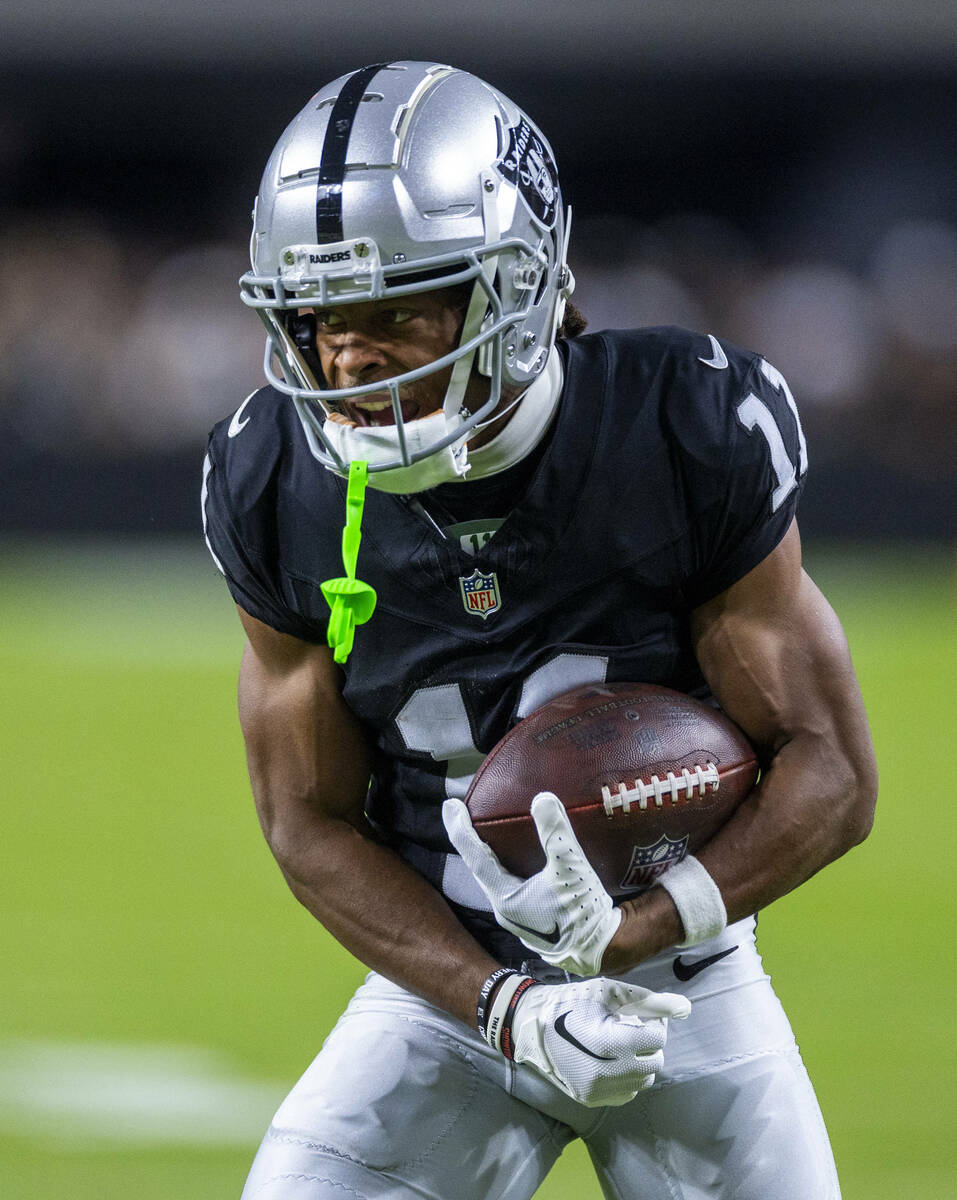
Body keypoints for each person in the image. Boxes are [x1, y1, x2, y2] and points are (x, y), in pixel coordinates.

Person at [202, 60, 877, 1199]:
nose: (351, 360)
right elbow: (303, 822)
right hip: (449, 994)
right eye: (321, 317)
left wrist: (641, 930)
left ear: (517, 285)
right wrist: (502, 1005)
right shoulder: (274, 475)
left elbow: (835, 772)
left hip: (684, 976)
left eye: (396, 308)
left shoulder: (681, 425)